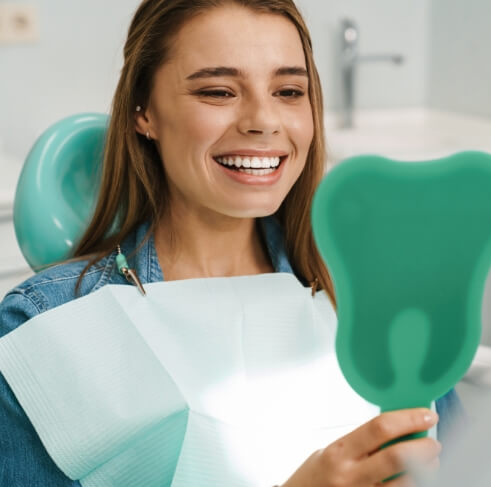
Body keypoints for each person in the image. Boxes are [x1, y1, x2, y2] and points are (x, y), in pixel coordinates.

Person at [0, 1, 461, 485]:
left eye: (288, 91)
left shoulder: (378, 300)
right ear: (144, 112)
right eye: (218, 91)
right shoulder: (44, 330)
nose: (263, 120)